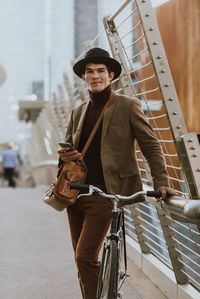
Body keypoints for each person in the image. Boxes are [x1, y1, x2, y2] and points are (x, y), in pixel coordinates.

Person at [58, 47, 178, 299]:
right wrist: (66, 156)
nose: (95, 76)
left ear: (111, 75)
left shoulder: (128, 106)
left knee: (84, 256)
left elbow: (151, 146)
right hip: (77, 193)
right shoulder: (77, 112)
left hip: (107, 193)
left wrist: (162, 182)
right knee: (82, 261)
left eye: (101, 71)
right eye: (89, 72)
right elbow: (68, 149)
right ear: (84, 78)